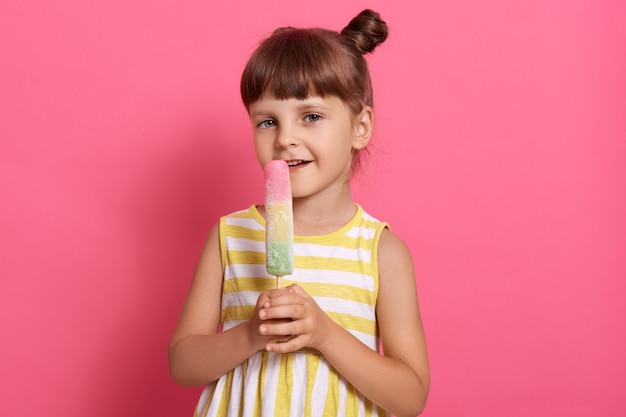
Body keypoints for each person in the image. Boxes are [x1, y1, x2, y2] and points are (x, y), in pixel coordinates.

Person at [169, 9, 430, 417]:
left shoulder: (381, 252)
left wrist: (325, 335)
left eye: (311, 117)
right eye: (267, 121)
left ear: (360, 127)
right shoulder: (230, 237)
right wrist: (252, 334)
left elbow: (411, 397)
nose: (286, 138)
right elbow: (183, 364)